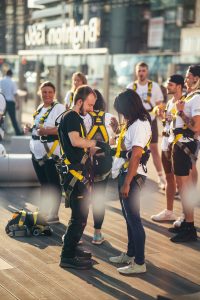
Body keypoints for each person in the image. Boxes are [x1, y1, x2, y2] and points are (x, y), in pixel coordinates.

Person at [58, 85, 110, 269]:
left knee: (80, 215)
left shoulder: (74, 117)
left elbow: (78, 144)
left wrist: (92, 149)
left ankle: (72, 249)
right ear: (79, 101)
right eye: (89, 105)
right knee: (79, 217)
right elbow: (75, 141)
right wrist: (96, 143)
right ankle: (67, 256)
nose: (91, 109)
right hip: (74, 174)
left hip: (77, 173)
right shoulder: (72, 117)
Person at [109, 89, 152, 275]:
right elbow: (126, 146)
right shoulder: (132, 123)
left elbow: (136, 155)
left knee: (134, 219)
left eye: (122, 111)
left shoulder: (140, 125)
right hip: (127, 173)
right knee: (129, 218)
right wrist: (118, 130)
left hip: (132, 176)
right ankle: (130, 254)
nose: (122, 115)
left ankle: (140, 262)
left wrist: (127, 182)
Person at [24, 81, 65, 223]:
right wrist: (30, 128)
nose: (47, 94)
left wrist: (46, 131)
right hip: (36, 152)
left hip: (50, 151)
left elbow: (62, 128)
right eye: (44, 92)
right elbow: (38, 126)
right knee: (44, 183)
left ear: (54, 93)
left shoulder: (59, 108)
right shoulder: (40, 107)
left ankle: (54, 213)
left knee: (53, 183)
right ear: (40, 93)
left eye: (50, 92)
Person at [169, 65, 200, 243]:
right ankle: (188, 225)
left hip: (184, 145)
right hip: (180, 145)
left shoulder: (196, 98)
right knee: (183, 187)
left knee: (184, 188)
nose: (186, 79)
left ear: (196, 78)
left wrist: (180, 111)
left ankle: (189, 226)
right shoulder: (191, 96)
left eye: (188, 77)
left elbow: (196, 126)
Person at [83, 89, 118, 245]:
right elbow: (113, 142)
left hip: (85, 162)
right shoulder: (110, 118)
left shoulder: (82, 118)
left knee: (82, 198)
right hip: (103, 163)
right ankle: (97, 234)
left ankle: (78, 232)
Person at [151, 74, 185, 222]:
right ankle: (169, 211)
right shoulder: (170, 102)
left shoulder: (185, 102)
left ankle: (185, 215)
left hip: (177, 144)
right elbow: (168, 122)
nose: (166, 87)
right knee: (169, 178)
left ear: (179, 86)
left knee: (181, 181)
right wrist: (162, 116)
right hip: (165, 142)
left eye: (170, 84)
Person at [127, 61, 165, 190]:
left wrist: (162, 114)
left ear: (147, 72)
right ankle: (132, 175)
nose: (141, 73)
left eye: (143, 70)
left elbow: (160, 105)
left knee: (154, 149)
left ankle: (161, 177)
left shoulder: (154, 86)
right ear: (136, 72)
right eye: (139, 70)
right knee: (134, 149)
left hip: (151, 121)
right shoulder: (130, 87)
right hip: (135, 122)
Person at [0, 69, 22, 135]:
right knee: (13, 119)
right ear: (11, 74)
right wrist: (18, 103)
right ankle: (18, 132)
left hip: (2, 102)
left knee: (1, 119)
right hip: (10, 103)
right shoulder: (12, 82)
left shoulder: (1, 81)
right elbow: (15, 93)